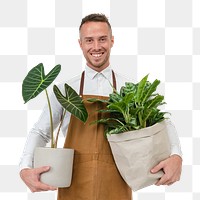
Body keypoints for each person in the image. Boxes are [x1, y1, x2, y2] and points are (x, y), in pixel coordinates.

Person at [19, 13, 182, 199]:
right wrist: (25, 167)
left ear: (112, 41)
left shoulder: (129, 88)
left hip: (117, 183)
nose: (96, 47)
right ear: (80, 44)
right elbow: (41, 131)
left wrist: (176, 156)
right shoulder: (64, 91)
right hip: (74, 186)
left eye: (102, 39)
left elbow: (162, 123)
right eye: (89, 40)